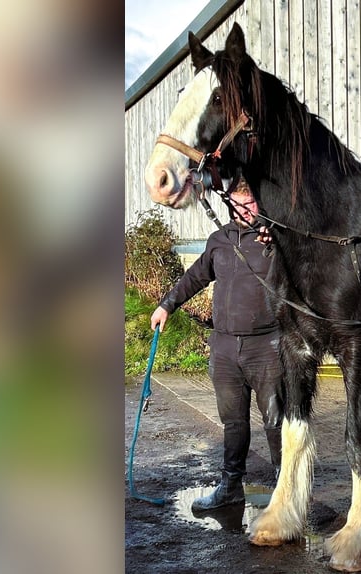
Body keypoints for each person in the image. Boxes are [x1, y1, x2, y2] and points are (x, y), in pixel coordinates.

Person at [150, 178, 283, 511]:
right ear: (230, 204)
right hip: (224, 348)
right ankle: (231, 486)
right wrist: (167, 305)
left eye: (250, 203)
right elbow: (194, 276)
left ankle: (286, 490)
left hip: (266, 347)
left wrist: (280, 240)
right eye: (239, 203)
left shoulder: (276, 239)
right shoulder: (219, 241)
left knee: (276, 421)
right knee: (233, 422)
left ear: (259, 203)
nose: (245, 209)